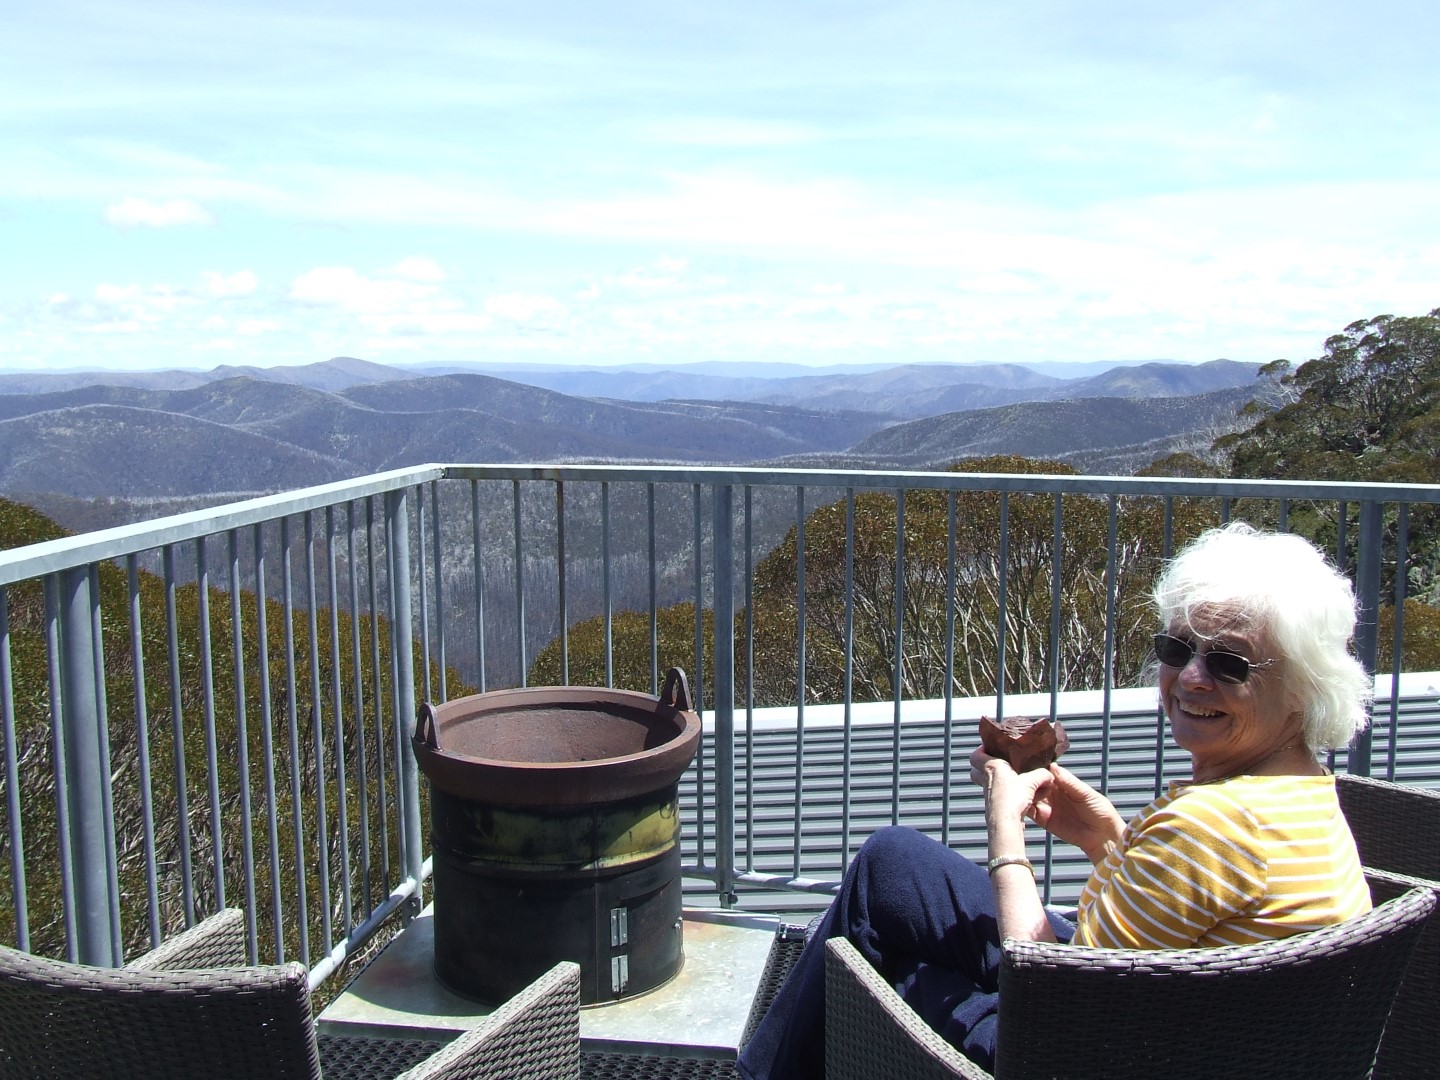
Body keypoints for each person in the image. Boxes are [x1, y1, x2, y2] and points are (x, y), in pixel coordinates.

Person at [737, 522, 1374, 1079]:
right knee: (891, 863)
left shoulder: (1210, 828)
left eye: (1230, 663)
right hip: (1181, 1026)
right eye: (1176, 648)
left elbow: (1045, 998)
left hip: (1088, 1052)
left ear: (1303, 689)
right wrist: (1108, 842)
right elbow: (1200, 913)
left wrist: (1003, 825)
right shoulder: (1303, 793)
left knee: (875, 962)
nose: (1191, 677)